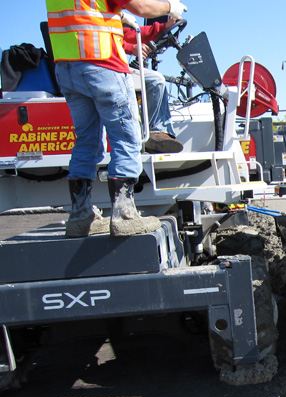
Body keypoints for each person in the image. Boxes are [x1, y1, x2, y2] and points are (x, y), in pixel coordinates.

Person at [46, 0, 186, 238]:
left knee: (86, 142)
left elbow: (84, 18)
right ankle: (124, 216)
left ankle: (80, 217)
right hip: (103, 64)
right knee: (126, 138)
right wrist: (170, 7)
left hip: (67, 69)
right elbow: (141, 7)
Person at [123, 18, 183, 154]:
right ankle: (156, 131)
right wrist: (129, 48)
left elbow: (131, 34)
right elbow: (103, 40)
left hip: (108, 65)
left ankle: (157, 131)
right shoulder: (98, 13)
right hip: (105, 67)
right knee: (155, 80)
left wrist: (164, 27)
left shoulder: (110, 16)